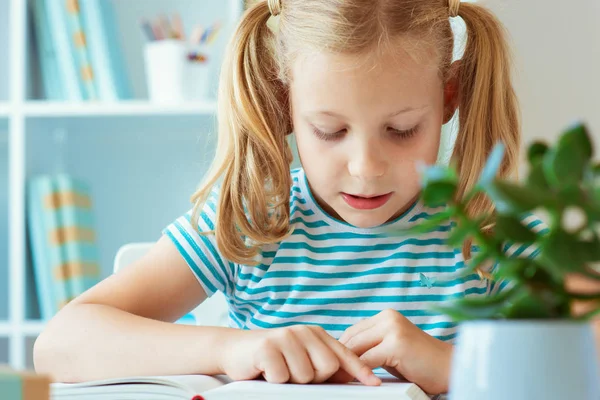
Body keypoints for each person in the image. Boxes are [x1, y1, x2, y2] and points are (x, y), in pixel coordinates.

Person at [33, 0, 540, 395]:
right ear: (284, 101)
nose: (365, 167)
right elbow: (60, 344)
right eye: (328, 130)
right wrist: (231, 350)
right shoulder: (252, 221)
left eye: (402, 129)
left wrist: (456, 367)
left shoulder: (491, 227)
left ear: (448, 97)